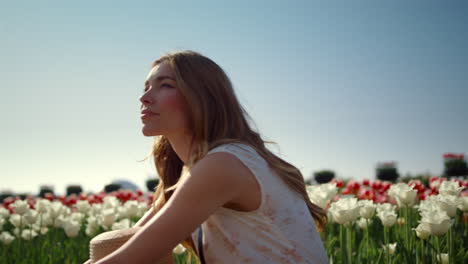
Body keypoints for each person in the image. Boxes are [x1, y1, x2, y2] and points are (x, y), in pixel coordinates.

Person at [93, 50, 329, 264]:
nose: (144, 98)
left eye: (165, 85)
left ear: (202, 97)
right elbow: (125, 244)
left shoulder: (225, 164)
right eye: (145, 87)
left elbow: (131, 258)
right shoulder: (193, 173)